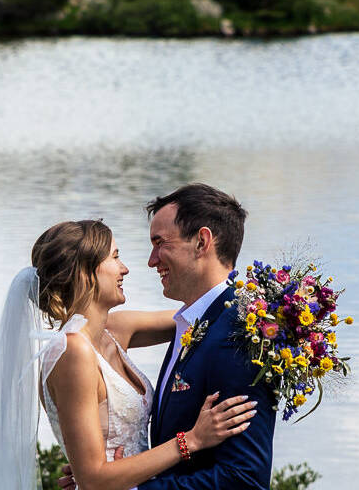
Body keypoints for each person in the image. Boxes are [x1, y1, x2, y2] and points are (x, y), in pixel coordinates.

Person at [0, 218, 256, 490]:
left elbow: (205, 314)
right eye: (115, 257)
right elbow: (94, 480)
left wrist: (277, 310)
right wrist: (192, 440)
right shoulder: (71, 352)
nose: (125, 269)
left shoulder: (116, 330)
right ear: (85, 273)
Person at [136, 184, 276, 490]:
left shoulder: (238, 336)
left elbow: (245, 479)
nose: (151, 260)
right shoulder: (195, 321)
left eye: (160, 243)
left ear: (202, 241)